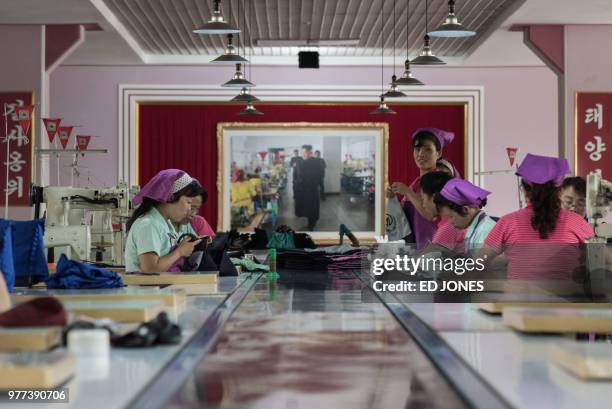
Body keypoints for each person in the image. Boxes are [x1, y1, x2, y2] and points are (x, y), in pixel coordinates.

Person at [477, 154, 594, 280]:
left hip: (518, 297)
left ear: (524, 190)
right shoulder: (577, 222)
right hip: (564, 298)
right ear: (559, 192)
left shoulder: (507, 222)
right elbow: (604, 260)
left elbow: (479, 263)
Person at [125, 169, 204, 273]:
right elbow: (150, 269)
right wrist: (179, 252)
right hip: (146, 289)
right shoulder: (148, 224)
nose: (189, 209)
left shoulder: (165, 224)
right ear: (171, 197)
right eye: (188, 202)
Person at [388, 128, 456, 249]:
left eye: (428, 149)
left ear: (438, 153)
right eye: (417, 149)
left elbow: (432, 215)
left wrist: (407, 192)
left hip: (433, 249)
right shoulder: (415, 184)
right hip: (414, 249)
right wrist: (393, 199)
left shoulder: (441, 182)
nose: (421, 154)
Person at [434, 178, 496, 257]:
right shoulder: (475, 228)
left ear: (465, 209)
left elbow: (485, 267)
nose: (450, 222)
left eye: (451, 216)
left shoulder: (484, 232)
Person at [418, 172, 466, 255]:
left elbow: (422, 263)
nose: (423, 205)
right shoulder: (457, 220)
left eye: (423, 199)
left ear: (433, 198)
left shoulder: (450, 227)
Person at [294, 145, 322, 230]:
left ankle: (312, 224)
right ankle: (307, 218)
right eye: (302, 152)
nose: (303, 154)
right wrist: (296, 183)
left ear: (309, 152)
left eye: (305, 152)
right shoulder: (299, 161)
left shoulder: (316, 162)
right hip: (302, 189)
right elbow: (296, 174)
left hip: (312, 189)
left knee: (312, 207)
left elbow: (320, 175)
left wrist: (314, 183)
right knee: (304, 207)